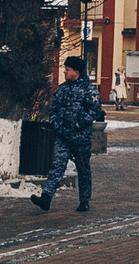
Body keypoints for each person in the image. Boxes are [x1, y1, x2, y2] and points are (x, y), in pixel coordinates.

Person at [32, 59, 101, 212]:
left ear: (76, 72)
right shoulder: (62, 89)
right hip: (62, 136)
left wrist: (79, 124)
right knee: (57, 166)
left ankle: (84, 200)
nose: (64, 71)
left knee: (83, 169)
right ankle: (46, 198)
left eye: (67, 69)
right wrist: (56, 123)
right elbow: (54, 109)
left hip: (80, 138)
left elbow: (95, 111)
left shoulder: (89, 90)